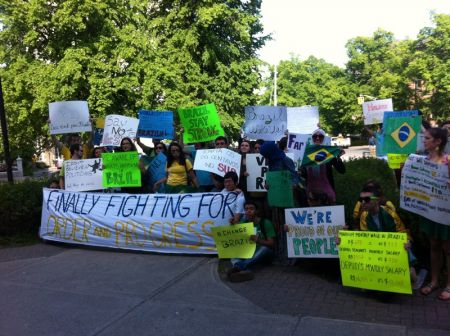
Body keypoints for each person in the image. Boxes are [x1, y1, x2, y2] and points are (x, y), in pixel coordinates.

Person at [419, 127, 450, 300]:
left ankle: (449, 285)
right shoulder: (422, 161)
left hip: (445, 212)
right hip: (430, 211)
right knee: (434, 246)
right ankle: (434, 281)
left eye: (427, 138)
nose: (424, 141)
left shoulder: (448, 161)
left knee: (448, 248)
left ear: (438, 142)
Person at [228, 201, 276, 282]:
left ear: (257, 211)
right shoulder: (244, 223)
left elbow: (272, 244)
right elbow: (236, 236)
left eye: (251, 209)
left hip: (264, 254)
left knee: (264, 249)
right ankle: (244, 270)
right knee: (233, 252)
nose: (248, 211)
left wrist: (259, 240)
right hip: (250, 253)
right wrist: (232, 225)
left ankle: (239, 267)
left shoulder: (265, 223)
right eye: (246, 209)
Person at [301, 128, 345, 204]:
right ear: (312, 138)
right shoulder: (305, 154)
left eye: (320, 136)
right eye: (315, 136)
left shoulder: (328, 154)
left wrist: (338, 158)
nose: (317, 138)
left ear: (324, 139)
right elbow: (303, 175)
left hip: (327, 191)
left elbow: (342, 171)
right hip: (311, 190)